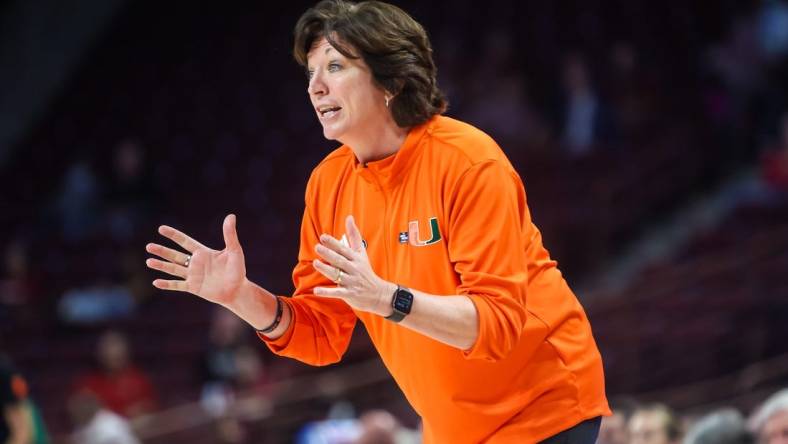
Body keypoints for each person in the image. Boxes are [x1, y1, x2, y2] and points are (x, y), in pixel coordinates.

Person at [145, 1, 610, 442]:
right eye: (310, 73)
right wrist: (242, 298)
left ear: (390, 82)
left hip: (546, 404)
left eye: (334, 67)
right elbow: (323, 335)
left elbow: (499, 323)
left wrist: (388, 299)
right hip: (456, 428)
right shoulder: (327, 185)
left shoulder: (468, 161)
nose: (315, 86)